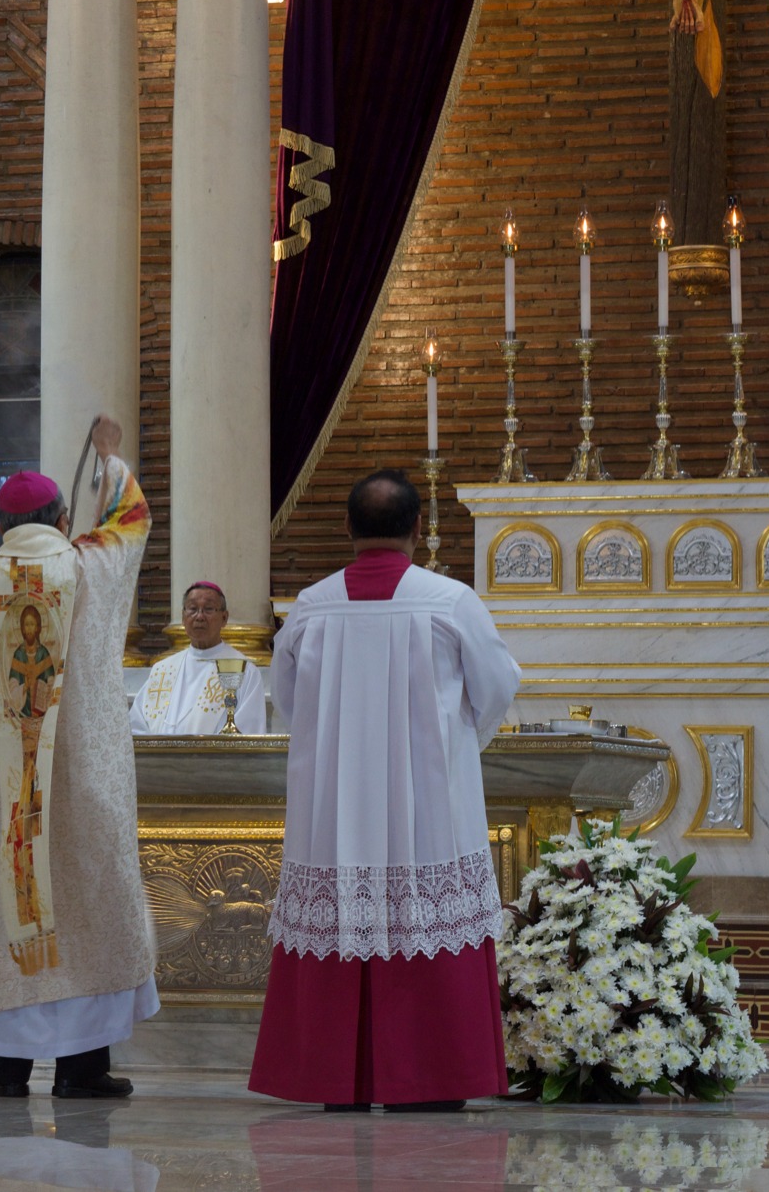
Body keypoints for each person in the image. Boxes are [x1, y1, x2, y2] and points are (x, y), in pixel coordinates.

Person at [248, 469, 521, 1112]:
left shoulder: (310, 607)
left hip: (332, 807)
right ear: (418, 530)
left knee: (338, 911)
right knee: (429, 915)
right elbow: (498, 689)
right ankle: (431, 1080)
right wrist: (455, 746)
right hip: (430, 800)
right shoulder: (451, 601)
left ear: (346, 528)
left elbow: (287, 702)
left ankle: (333, 1080)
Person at [0, 414, 155, 1100]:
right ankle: (81, 1069)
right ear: (63, 517)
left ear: (2, 525)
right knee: (83, 902)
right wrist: (110, 460)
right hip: (77, 785)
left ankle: (5, 1071)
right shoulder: (88, 563)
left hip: (7, 791)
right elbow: (130, 518)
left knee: (10, 900)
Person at [129, 582, 267, 735]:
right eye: (193, 609)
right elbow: (136, 727)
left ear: (224, 618)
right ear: (183, 617)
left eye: (208, 609)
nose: (199, 616)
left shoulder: (243, 670)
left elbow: (248, 732)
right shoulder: (162, 669)